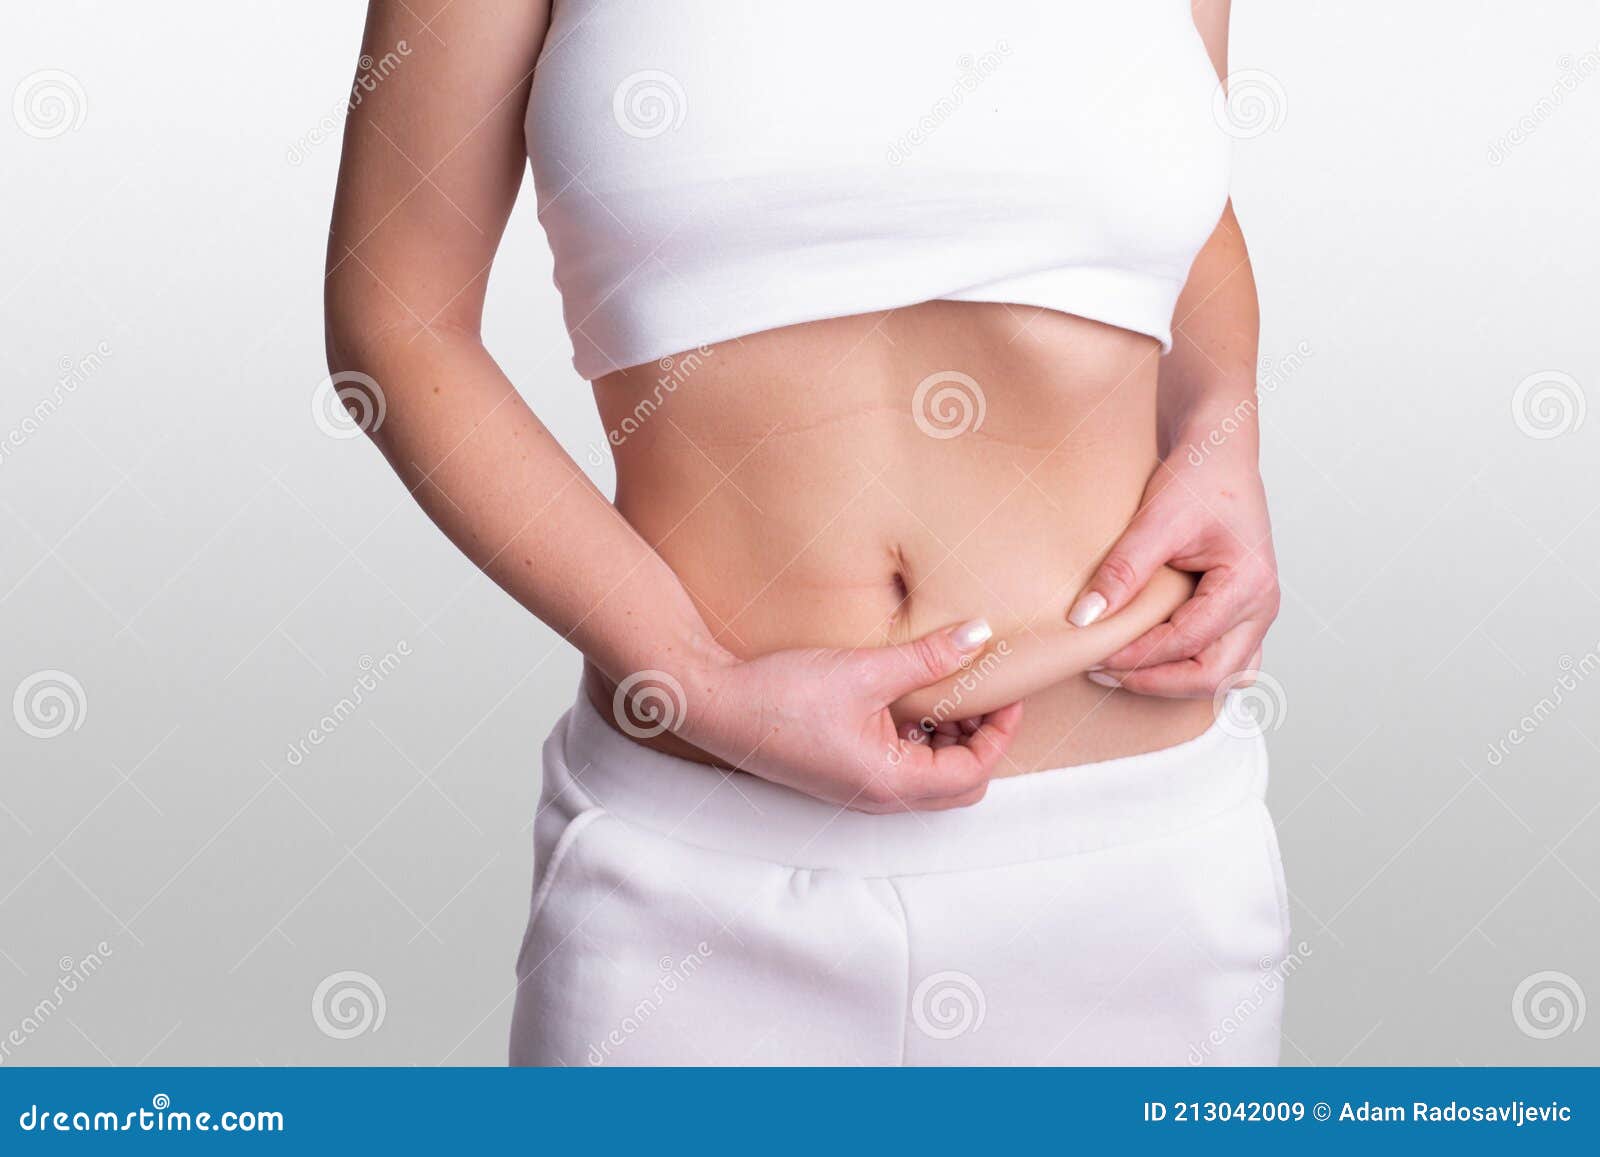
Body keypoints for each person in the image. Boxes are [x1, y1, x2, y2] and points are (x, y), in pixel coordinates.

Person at [325, 0, 1287, 1065]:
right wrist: (692, 678)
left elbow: (1178, 178)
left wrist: (1222, 425)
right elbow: (394, 320)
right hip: (695, 867)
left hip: (1137, 862)